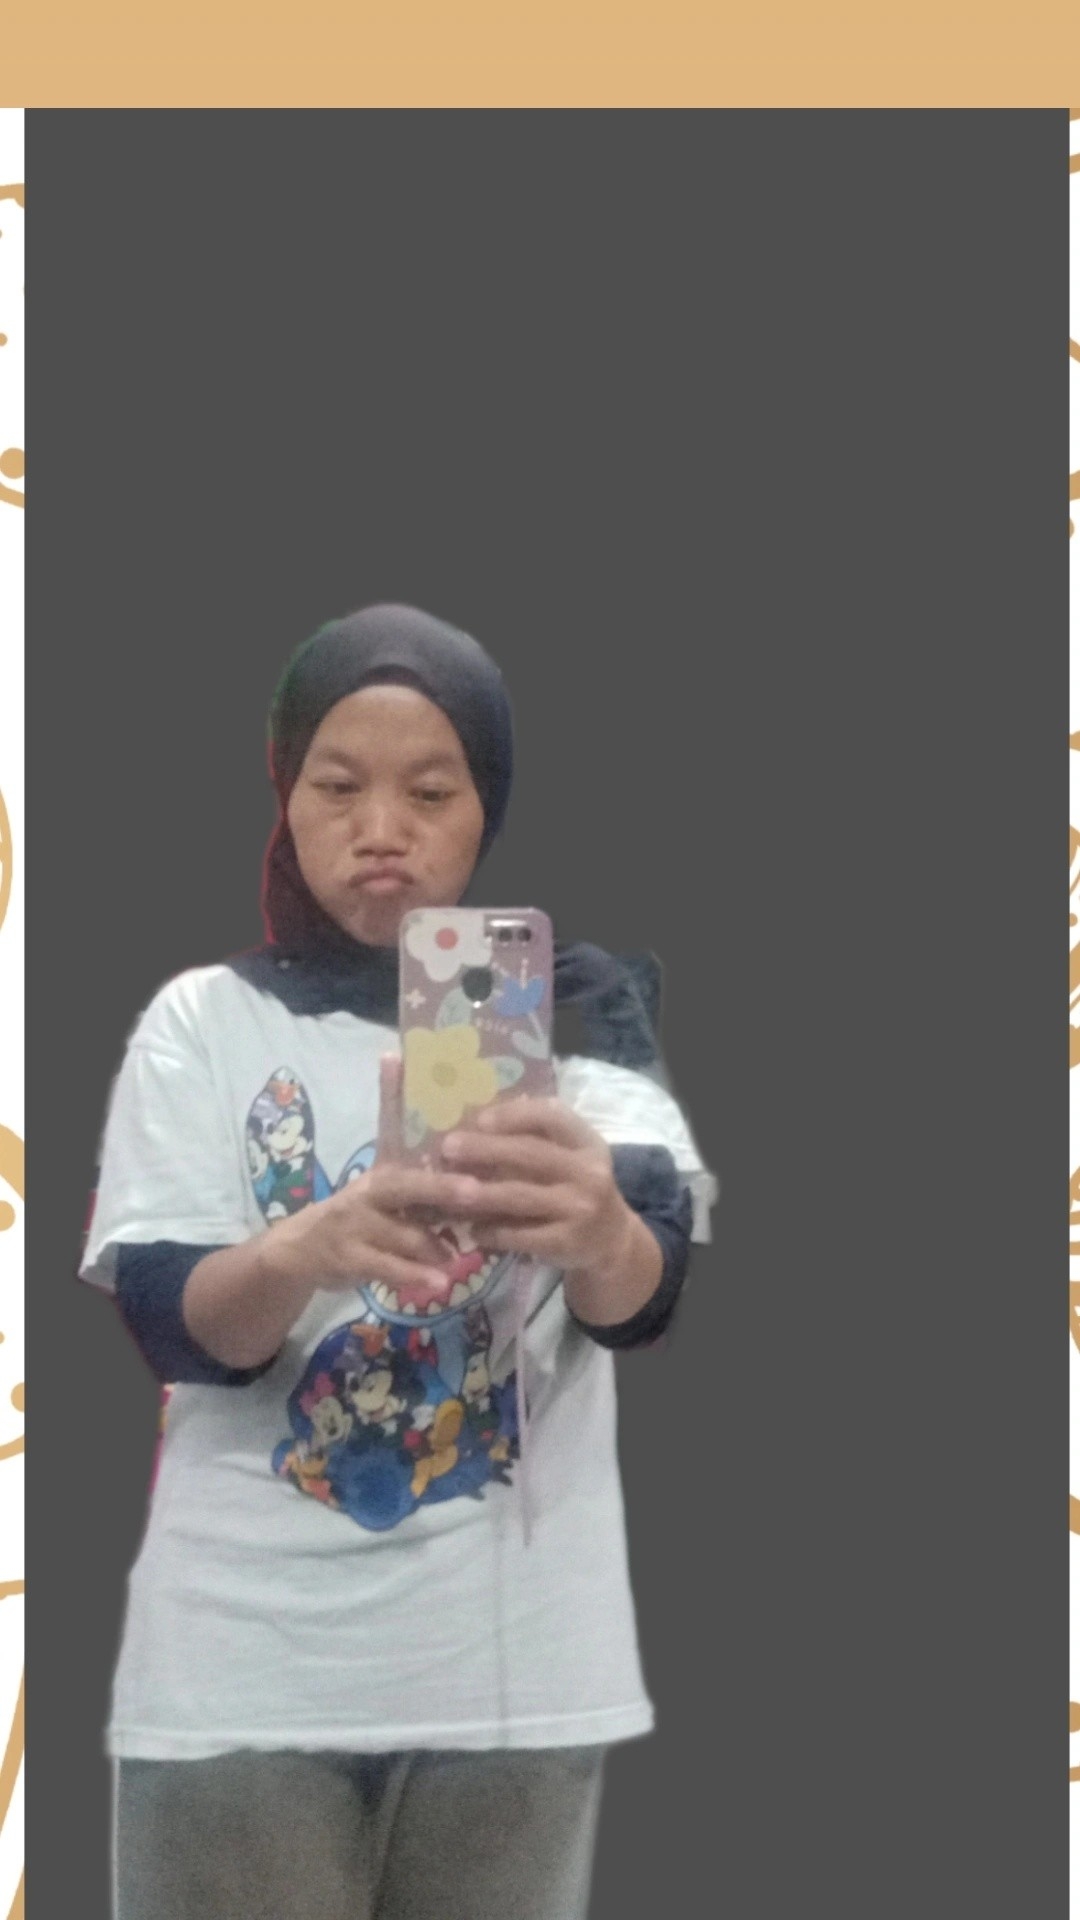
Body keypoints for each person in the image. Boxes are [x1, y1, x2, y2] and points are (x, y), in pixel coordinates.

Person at [80, 603, 716, 1920]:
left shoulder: (581, 1021)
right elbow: (173, 1324)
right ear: (284, 795)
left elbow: (643, 1304)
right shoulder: (205, 1022)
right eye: (338, 786)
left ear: (488, 808)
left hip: (516, 1683)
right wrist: (306, 1248)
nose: (383, 827)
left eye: (431, 791)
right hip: (243, 1681)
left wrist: (601, 1229)